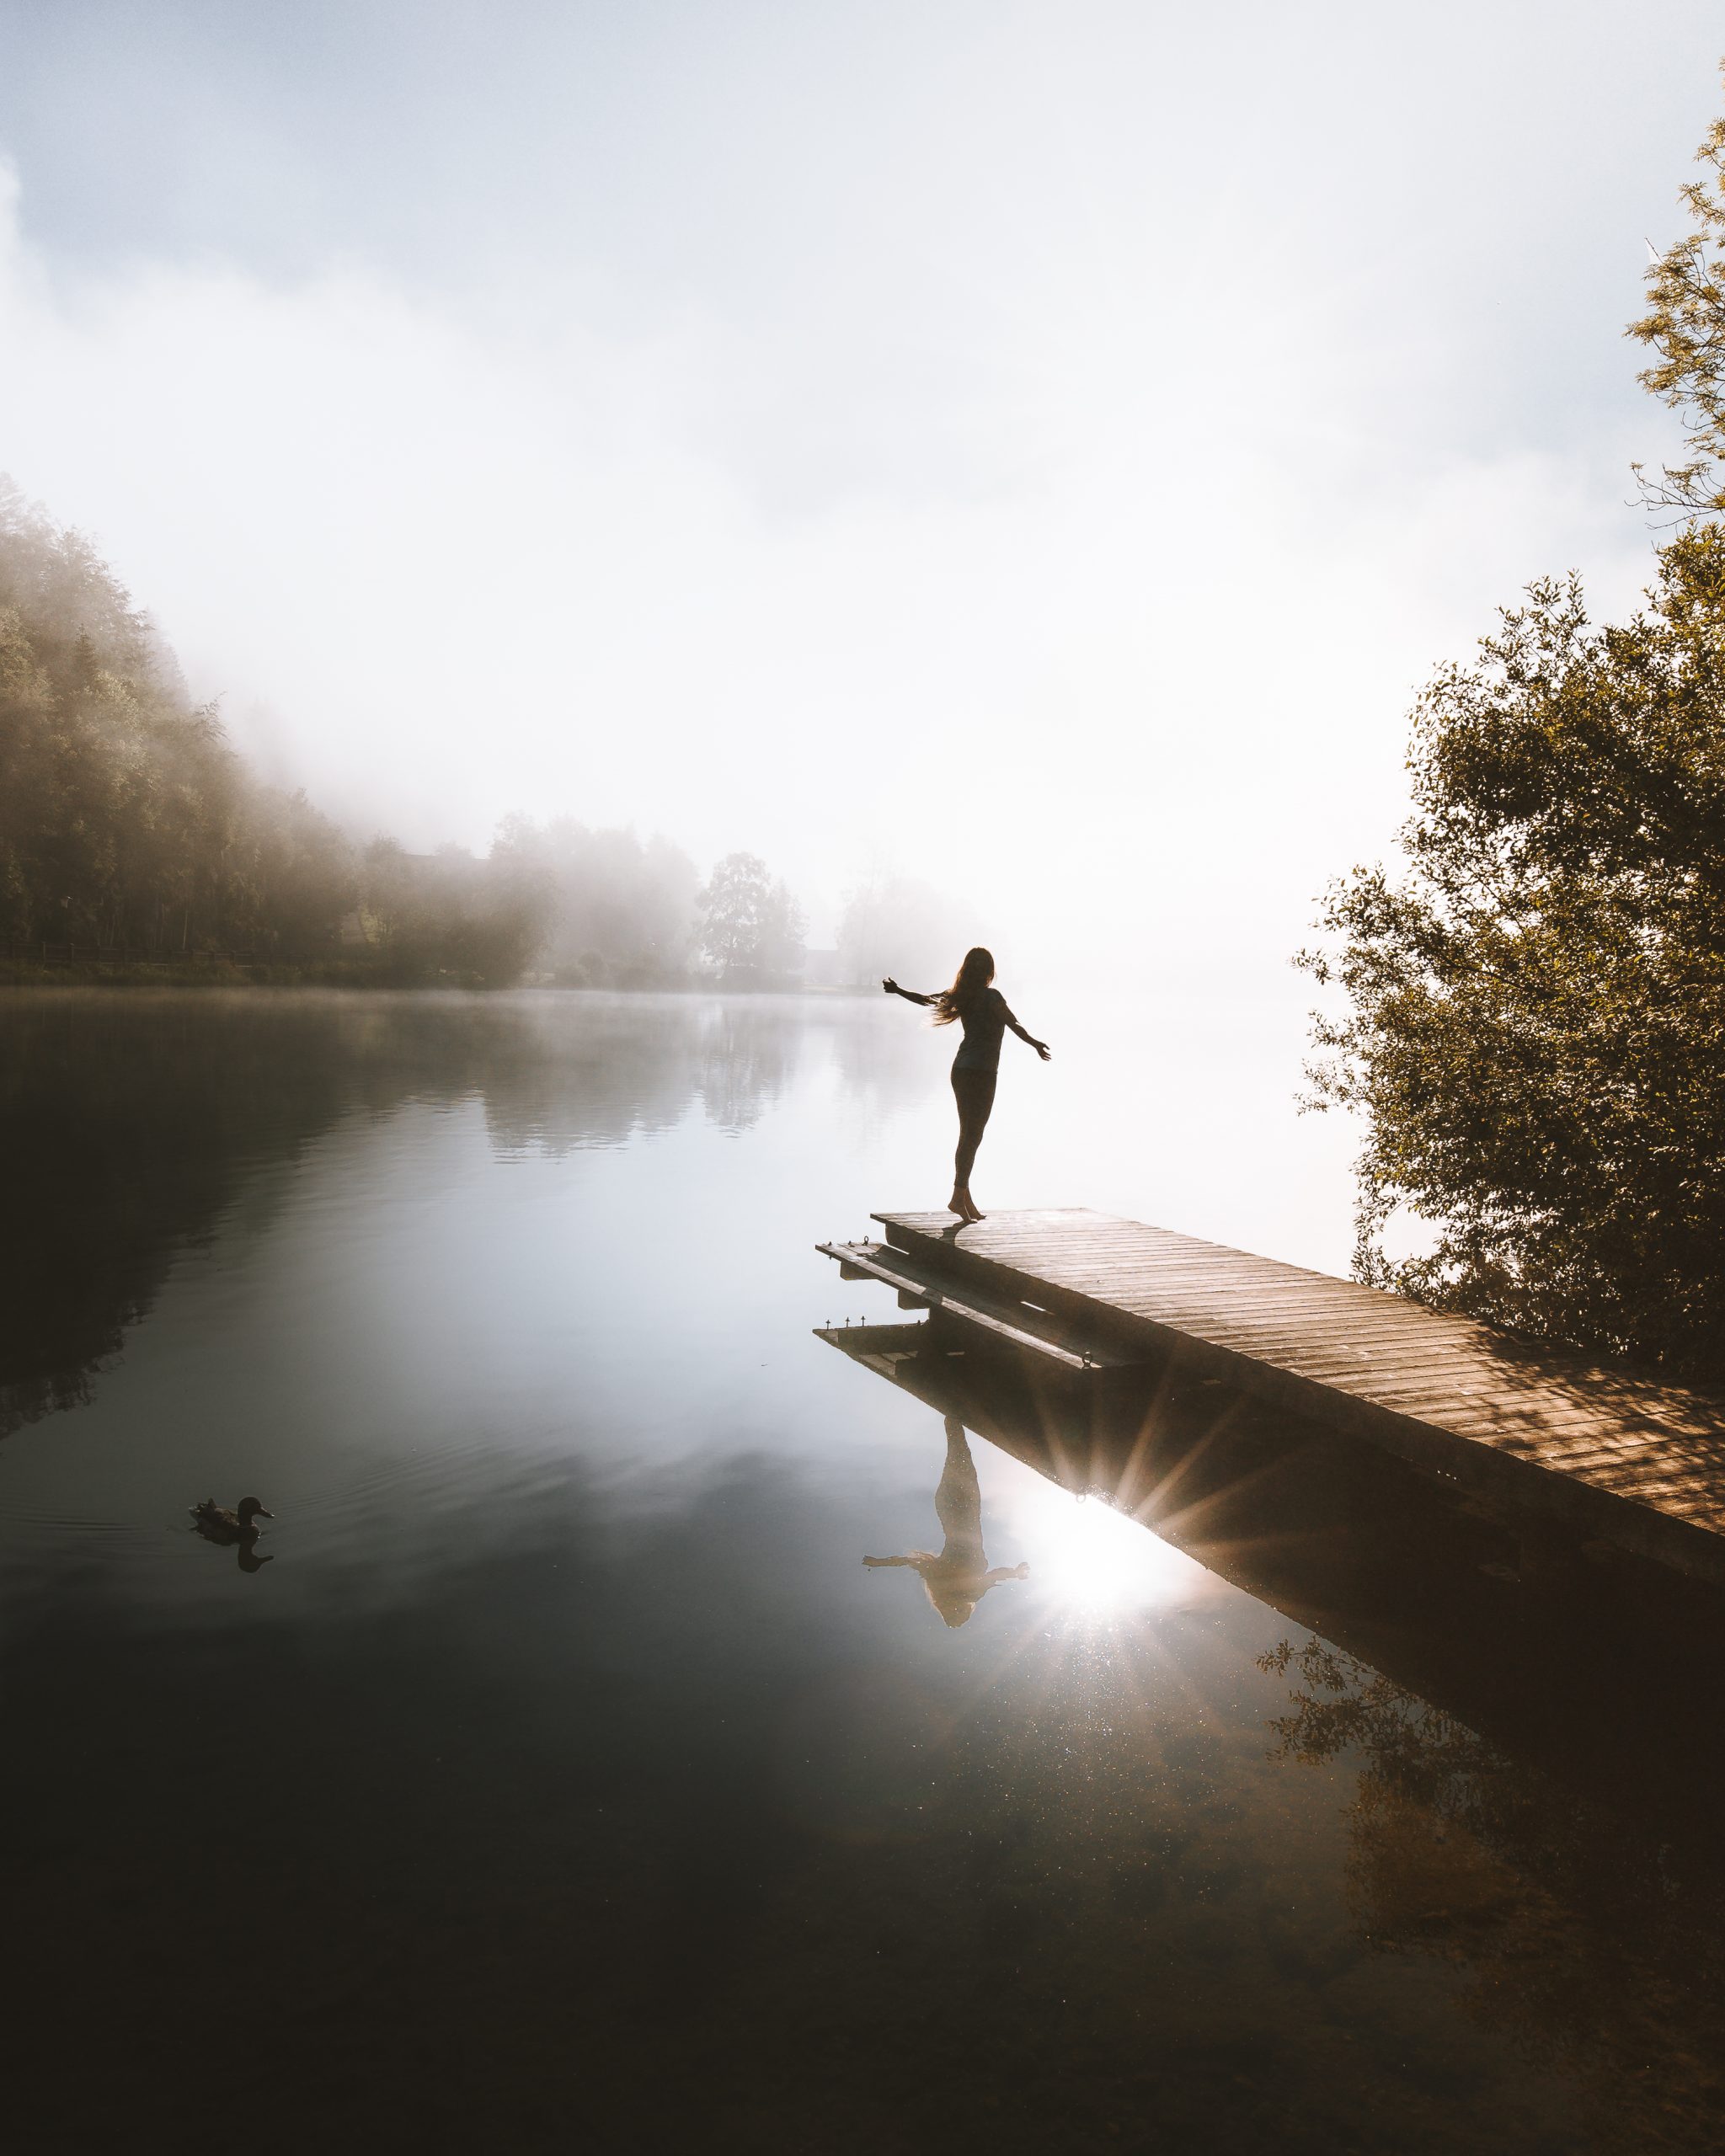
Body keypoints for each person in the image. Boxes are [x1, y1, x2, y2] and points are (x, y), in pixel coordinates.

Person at [883, 946, 1049, 1224]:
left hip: (961, 1070)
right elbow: (1013, 1023)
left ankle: (965, 1197)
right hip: (982, 1073)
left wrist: (898, 990)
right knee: (972, 1135)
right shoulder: (992, 997)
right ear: (989, 972)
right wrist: (1034, 1043)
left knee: (969, 1135)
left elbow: (925, 999)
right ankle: (957, 1196)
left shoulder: (963, 995)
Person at [863, 1417, 1029, 1628]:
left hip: (965, 1510)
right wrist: (879, 1563)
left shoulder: (968, 1590)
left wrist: (1015, 1573)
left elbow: (995, 1576)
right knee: (958, 1453)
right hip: (949, 1508)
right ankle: (952, 1414)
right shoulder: (940, 1581)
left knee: (959, 1453)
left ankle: (953, 1410)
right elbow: (908, 1561)